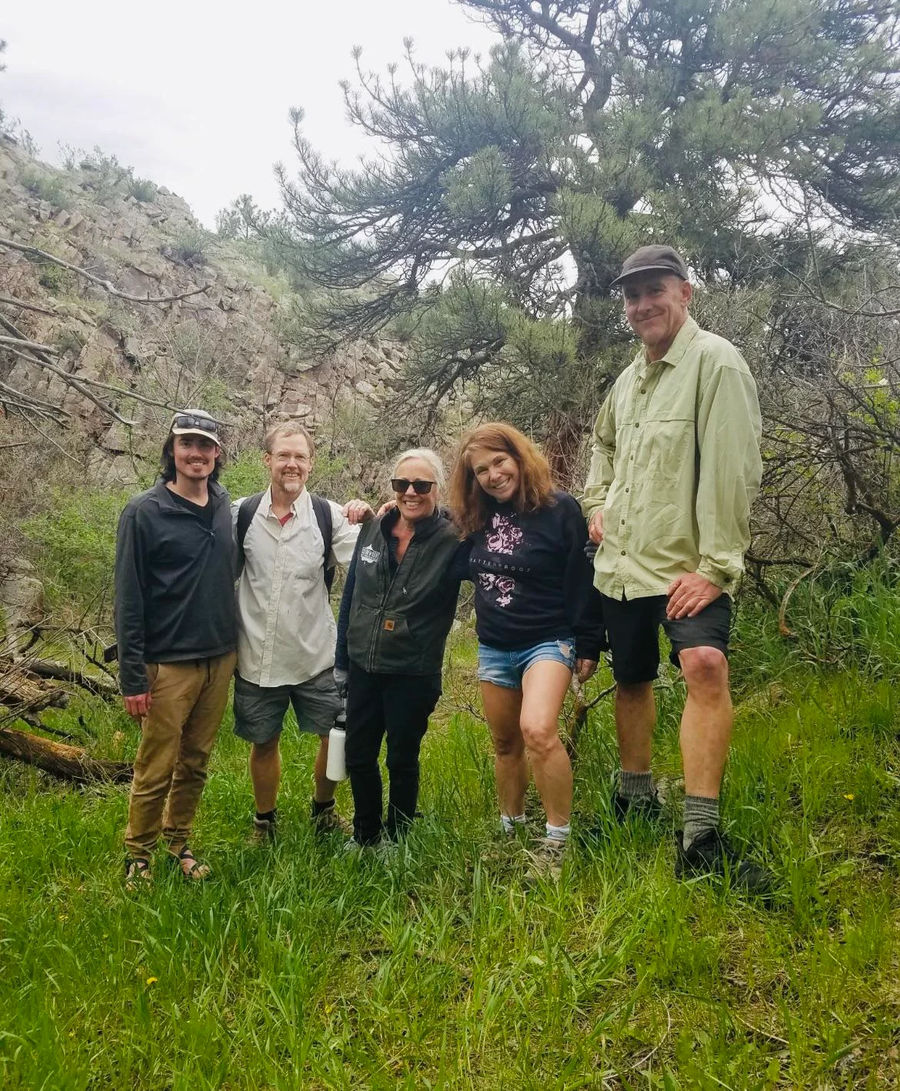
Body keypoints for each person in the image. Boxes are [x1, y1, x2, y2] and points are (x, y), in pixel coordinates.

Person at [581, 243, 771, 893]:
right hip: (624, 563)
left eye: (654, 290)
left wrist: (717, 566)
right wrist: (596, 502)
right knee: (631, 678)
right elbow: (602, 443)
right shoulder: (628, 379)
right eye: (632, 296)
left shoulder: (716, 362)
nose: (642, 305)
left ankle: (700, 836)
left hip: (686, 563)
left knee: (704, 667)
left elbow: (735, 467)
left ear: (684, 293)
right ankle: (635, 798)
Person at [449, 422, 603, 871]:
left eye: (500, 462)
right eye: (482, 470)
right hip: (495, 644)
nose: (494, 475)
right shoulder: (473, 517)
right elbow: (439, 543)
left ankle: (558, 840)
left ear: (519, 457)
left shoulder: (559, 509)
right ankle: (509, 829)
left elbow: (582, 580)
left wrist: (589, 641)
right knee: (504, 742)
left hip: (548, 639)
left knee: (537, 729)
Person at [232, 421, 372, 842]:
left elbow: (376, 551)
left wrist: (373, 513)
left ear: (311, 465)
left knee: (334, 736)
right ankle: (264, 821)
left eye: (300, 457)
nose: (291, 464)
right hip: (257, 655)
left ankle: (323, 810)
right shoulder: (239, 513)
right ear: (267, 460)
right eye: (283, 456)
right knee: (263, 743)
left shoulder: (328, 517)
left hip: (316, 655)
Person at [115, 409, 237, 888]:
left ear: (217, 454)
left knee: (196, 760)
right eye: (187, 444)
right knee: (156, 763)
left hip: (221, 656)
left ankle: (178, 842)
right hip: (168, 664)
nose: (196, 454)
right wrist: (133, 678)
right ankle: (138, 855)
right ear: (172, 450)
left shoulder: (225, 503)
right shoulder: (143, 511)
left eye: (205, 446)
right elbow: (128, 599)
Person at [335, 449, 462, 850]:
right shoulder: (375, 527)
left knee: (401, 758)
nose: (410, 492)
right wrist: (342, 660)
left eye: (421, 485)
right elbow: (351, 593)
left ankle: (399, 836)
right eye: (401, 484)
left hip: (413, 668)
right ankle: (365, 834)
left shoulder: (453, 538)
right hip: (364, 664)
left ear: (437, 489)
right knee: (358, 754)